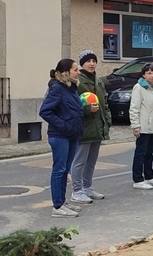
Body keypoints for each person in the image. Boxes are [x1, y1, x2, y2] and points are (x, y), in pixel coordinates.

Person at [39, 60, 85, 218]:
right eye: (75, 70)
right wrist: (63, 125)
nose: (78, 72)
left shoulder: (71, 88)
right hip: (60, 135)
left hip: (72, 134)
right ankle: (57, 206)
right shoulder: (57, 88)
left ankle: (63, 201)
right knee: (59, 170)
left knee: (66, 170)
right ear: (66, 72)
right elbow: (45, 111)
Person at [71, 50, 111, 204]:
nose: (92, 64)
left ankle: (87, 187)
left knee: (91, 161)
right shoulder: (78, 82)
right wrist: (87, 110)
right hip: (84, 127)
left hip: (97, 127)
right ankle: (77, 190)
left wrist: (107, 120)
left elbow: (105, 103)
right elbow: (74, 105)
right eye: (88, 61)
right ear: (82, 64)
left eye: (94, 61)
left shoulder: (99, 81)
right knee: (79, 161)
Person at [130, 62, 153, 190]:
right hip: (143, 126)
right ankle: (138, 179)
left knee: (150, 152)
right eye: (149, 73)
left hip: (152, 126)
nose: (152, 76)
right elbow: (134, 108)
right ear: (143, 74)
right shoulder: (139, 88)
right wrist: (135, 125)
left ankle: (149, 176)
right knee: (141, 152)